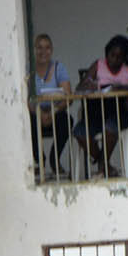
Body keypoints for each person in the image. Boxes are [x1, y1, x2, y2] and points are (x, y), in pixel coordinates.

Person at [80, 35, 128, 174]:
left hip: (121, 111)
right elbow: (80, 87)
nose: (114, 59)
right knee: (80, 131)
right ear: (107, 53)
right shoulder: (98, 65)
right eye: (111, 55)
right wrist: (89, 84)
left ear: (125, 57)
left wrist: (125, 88)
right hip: (97, 111)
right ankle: (105, 165)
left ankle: (103, 166)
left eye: (119, 57)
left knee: (110, 127)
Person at [31, 32, 77, 179]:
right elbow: (23, 99)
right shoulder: (28, 70)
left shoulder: (59, 68)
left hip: (55, 112)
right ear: (34, 50)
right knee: (26, 124)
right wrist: (39, 113)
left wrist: (53, 111)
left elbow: (68, 96)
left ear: (52, 50)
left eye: (47, 48)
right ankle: (40, 162)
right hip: (35, 113)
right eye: (39, 47)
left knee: (67, 120)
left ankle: (54, 158)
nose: (43, 52)